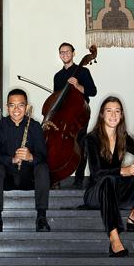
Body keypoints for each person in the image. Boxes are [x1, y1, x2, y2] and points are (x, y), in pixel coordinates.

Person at [83, 96, 134, 257]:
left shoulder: (123, 137)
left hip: (116, 192)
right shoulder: (91, 139)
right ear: (102, 115)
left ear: (121, 116)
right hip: (97, 193)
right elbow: (97, 173)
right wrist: (123, 171)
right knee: (108, 180)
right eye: (109, 111)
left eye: (117, 111)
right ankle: (114, 238)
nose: (113, 115)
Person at [0, 88, 50, 232]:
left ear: (26, 107)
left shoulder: (34, 126)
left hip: (28, 178)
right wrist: (12, 159)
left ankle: (41, 217)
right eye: (12, 105)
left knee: (42, 168)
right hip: (6, 178)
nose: (16, 109)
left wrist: (31, 157)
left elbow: (43, 156)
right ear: (7, 107)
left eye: (20, 105)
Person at [52, 42, 97, 189]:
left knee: (80, 145)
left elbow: (92, 92)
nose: (65, 54)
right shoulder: (58, 76)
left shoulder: (83, 72)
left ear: (73, 53)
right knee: (59, 145)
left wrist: (78, 86)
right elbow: (56, 98)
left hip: (80, 114)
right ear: (59, 55)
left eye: (68, 51)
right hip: (63, 116)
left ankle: (78, 179)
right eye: (62, 52)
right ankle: (58, 176)